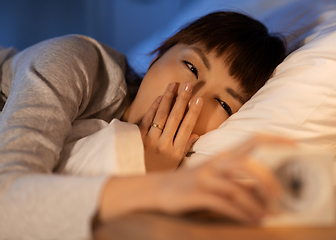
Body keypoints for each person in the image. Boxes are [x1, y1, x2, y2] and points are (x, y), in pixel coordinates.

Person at [0, 11, 287, 239]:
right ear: (160, 53)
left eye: (223, 104)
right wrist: (160, 185)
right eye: (191, 67)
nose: (191, 96)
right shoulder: (72, 61)